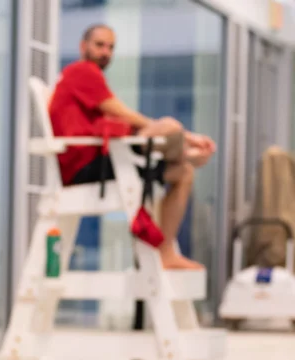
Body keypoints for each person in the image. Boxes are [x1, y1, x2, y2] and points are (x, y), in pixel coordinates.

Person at [49, 23, 216, 271]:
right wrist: (187, 136)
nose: (106, 52)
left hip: (109, 160)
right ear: (83, 47)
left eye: (111, 47)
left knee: (183, 172)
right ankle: (185, 153)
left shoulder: (89, 76)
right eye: (99, 45)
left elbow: (120, 123)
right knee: (170, 126)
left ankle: (166, 253)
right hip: (88, 168)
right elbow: (126, 115)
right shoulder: (82, 72)